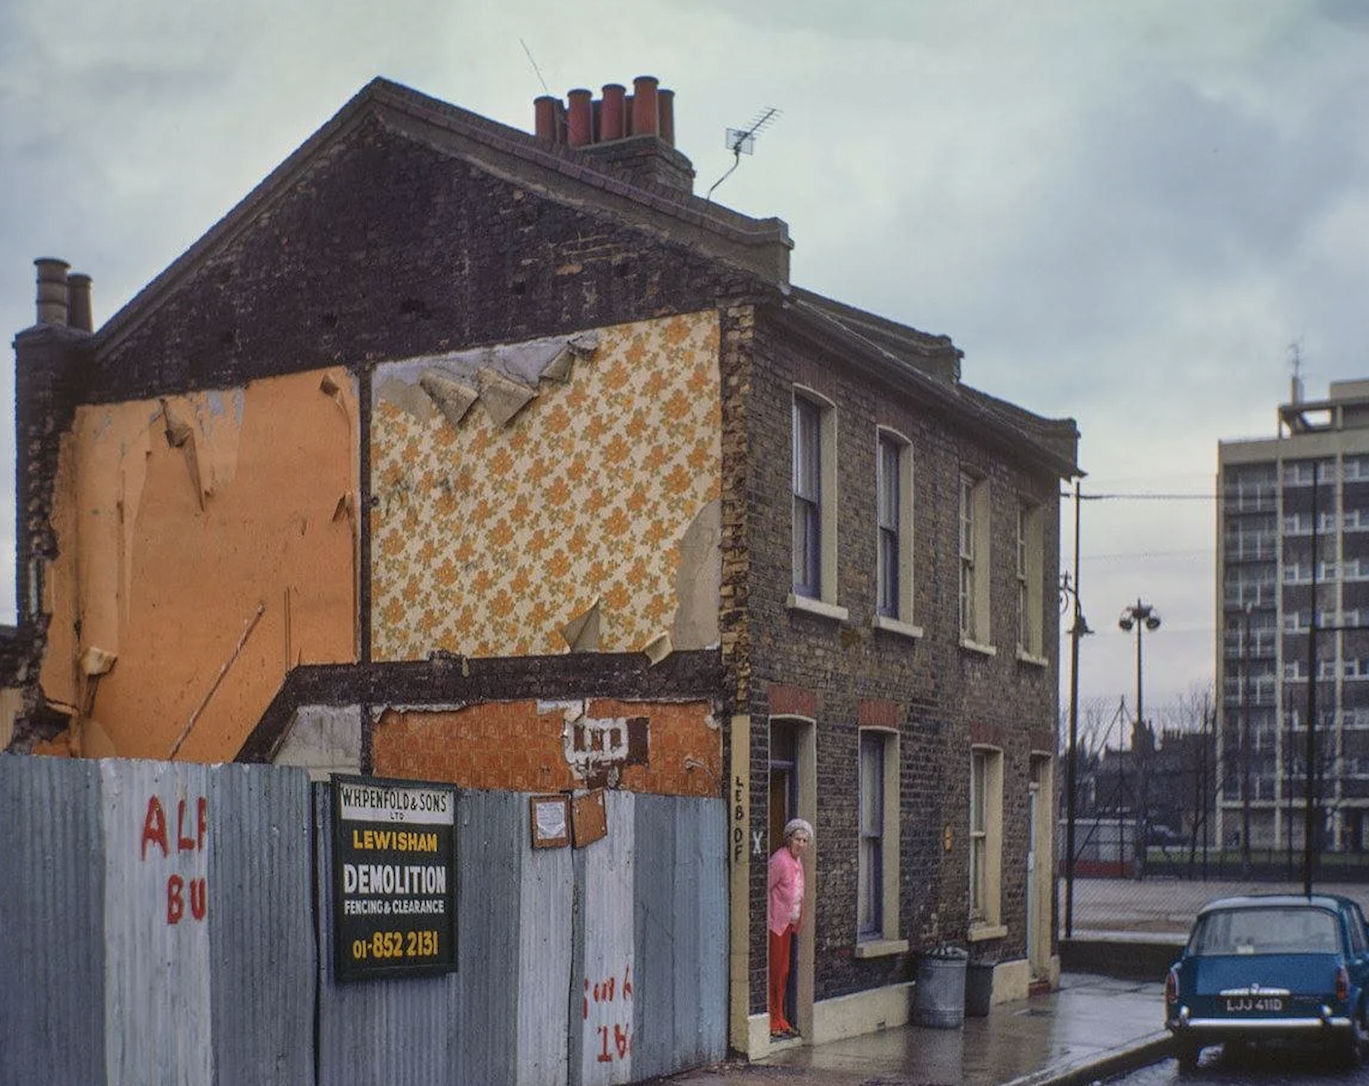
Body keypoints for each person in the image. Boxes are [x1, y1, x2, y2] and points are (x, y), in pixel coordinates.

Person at [768, 817, 812, 1039]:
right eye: (797, 839)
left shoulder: (797, 862)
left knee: (784, 971)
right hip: (776, 923)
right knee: (775, 971)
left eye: (804, 840)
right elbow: (766, 887)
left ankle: (780, 1017)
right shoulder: (780, 860)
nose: (800, 844)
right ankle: (773, 1019)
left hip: (789, 923)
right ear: (789, 839)